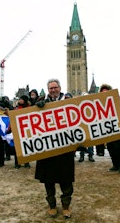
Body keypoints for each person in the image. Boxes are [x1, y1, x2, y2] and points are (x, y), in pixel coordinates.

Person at [35, 78, 74, 219]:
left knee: (66, 180)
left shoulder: (69, 100)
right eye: (50, 88)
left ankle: (65, 206)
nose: (53, 90)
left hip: (65, 147)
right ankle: (52, 206)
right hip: (47, 148)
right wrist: (37, 106)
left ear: (60, 88)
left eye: (55, 87)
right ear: (48, 90)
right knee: (48, 180)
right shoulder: (42, 103)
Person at [99, 84, 120, 174]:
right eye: (102, 92)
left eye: (106, 92)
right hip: (107, 128)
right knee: (110, 147)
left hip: (117, 126)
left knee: (119, 147)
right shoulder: (99, 102)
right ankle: (115, 165)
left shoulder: (117, 100)